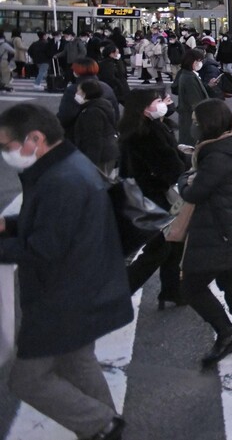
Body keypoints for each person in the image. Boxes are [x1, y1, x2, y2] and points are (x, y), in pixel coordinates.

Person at [0, 103, 131, 440]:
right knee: (77, 362)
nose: (5, 152)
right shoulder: (65, 165)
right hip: (81, 289)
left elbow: (43, 249)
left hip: (61, 298)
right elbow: (52, 227)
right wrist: (9, 226)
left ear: (34, 139)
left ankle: (101, 424)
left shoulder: (62, 180)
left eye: (7, 145)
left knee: (26, 379)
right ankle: (104, 428)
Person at [179, 98, 232, 367]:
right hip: (228, 223)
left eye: (196, 122)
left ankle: (227, 332)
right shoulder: (227, 146)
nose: (193, 126)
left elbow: (194, 192)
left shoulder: (216, 155)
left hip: (219, 227)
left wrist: (184, 177)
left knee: (191, 286)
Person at [122, 89, 188, 307]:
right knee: (160, 247)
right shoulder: (148, 133)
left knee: (173, 241)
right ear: (144, 107)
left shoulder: (141, 127)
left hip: (149, 194)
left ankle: (172, 290)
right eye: (158, 101)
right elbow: (168, 164)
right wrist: (185, 171)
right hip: (157, 196)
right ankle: (119, 292)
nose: (163, 104)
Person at [68, 79, 120, 173]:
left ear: (86, 93)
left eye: (79, 91)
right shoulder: (102, 105)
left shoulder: (92, 112)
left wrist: (91, 163)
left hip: (101, 156)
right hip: (109, 152)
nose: (77, 93)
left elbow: (94, 139)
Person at [175, 49, 213, 145]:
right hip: (191, 118)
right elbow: (196, 102)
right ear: (192, 61)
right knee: (191, 143)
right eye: (199, 61)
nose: (200, 63)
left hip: (188, 116)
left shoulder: (188, 74)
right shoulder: (189, 78)